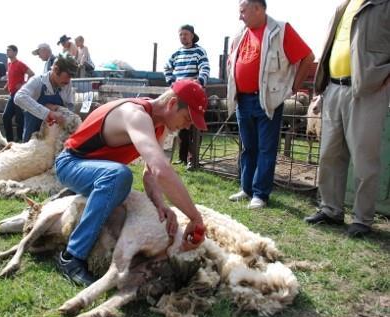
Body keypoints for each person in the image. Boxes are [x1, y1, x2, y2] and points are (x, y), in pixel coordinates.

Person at [53, 79, 207, 286]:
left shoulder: (158, 126)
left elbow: (150, 173)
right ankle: (71, 256)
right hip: (71, 163)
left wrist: (160, 205)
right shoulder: (135, 115)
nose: (188, 126)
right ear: (171, 104)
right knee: (120, 176)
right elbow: (161, 170)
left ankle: (79, 194)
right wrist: (195, 217)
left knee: (118, 176)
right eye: (187, 118)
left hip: (94, 170)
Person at [304, 0, 390, 237]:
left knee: (364, 158)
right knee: (329, 154)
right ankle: (331, 210)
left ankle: (362, 218)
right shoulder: (344, 5)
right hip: (333, 87)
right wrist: (321, 89)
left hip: (368, 91)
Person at [226, 0, 314, 209]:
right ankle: (246, 188)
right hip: (243, 99)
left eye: (243, 11)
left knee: (266, 148)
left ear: (258, 8)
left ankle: (260, 194)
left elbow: (308, 56)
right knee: (249, 147)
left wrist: (294, 87)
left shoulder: (280, 30)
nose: (240, 16)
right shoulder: (241, 34)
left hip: (267, 99)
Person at [164, 25, 210, 170]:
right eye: (181, 34)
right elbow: (166, 67)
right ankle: (182, 158)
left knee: (194, 126)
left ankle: (193, 159)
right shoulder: (176, 53)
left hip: (193, 92)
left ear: (192, 35)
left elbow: (205, 67)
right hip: (179, 93)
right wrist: (172, 82)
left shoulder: (199, 51)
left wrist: (200, 81)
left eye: (185, 34)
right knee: (181, 126)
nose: (183, 37)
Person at [14, 55, 76, 142]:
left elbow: (70, 106)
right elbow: (19, 97)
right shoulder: (37, 81)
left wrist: (59, 109)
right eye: (68, 76)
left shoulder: (66, 83)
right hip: (33, 134)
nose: (68, 81)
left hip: (53, 138)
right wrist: (48, 113)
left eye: (71, 77)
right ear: (56, 69)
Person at [2, 45, 35, 142]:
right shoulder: (9, 64)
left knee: (19, 119)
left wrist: (23, 85)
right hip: (12, 95)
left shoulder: (20, 64)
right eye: (7, 50)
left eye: (10, 50)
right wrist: (7, 85)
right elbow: (11, 78)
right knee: (6, 116)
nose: (7, 52)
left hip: (19, 95)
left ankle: (20, 139)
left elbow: (32, 74)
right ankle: (10, 140)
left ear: (15, 52)